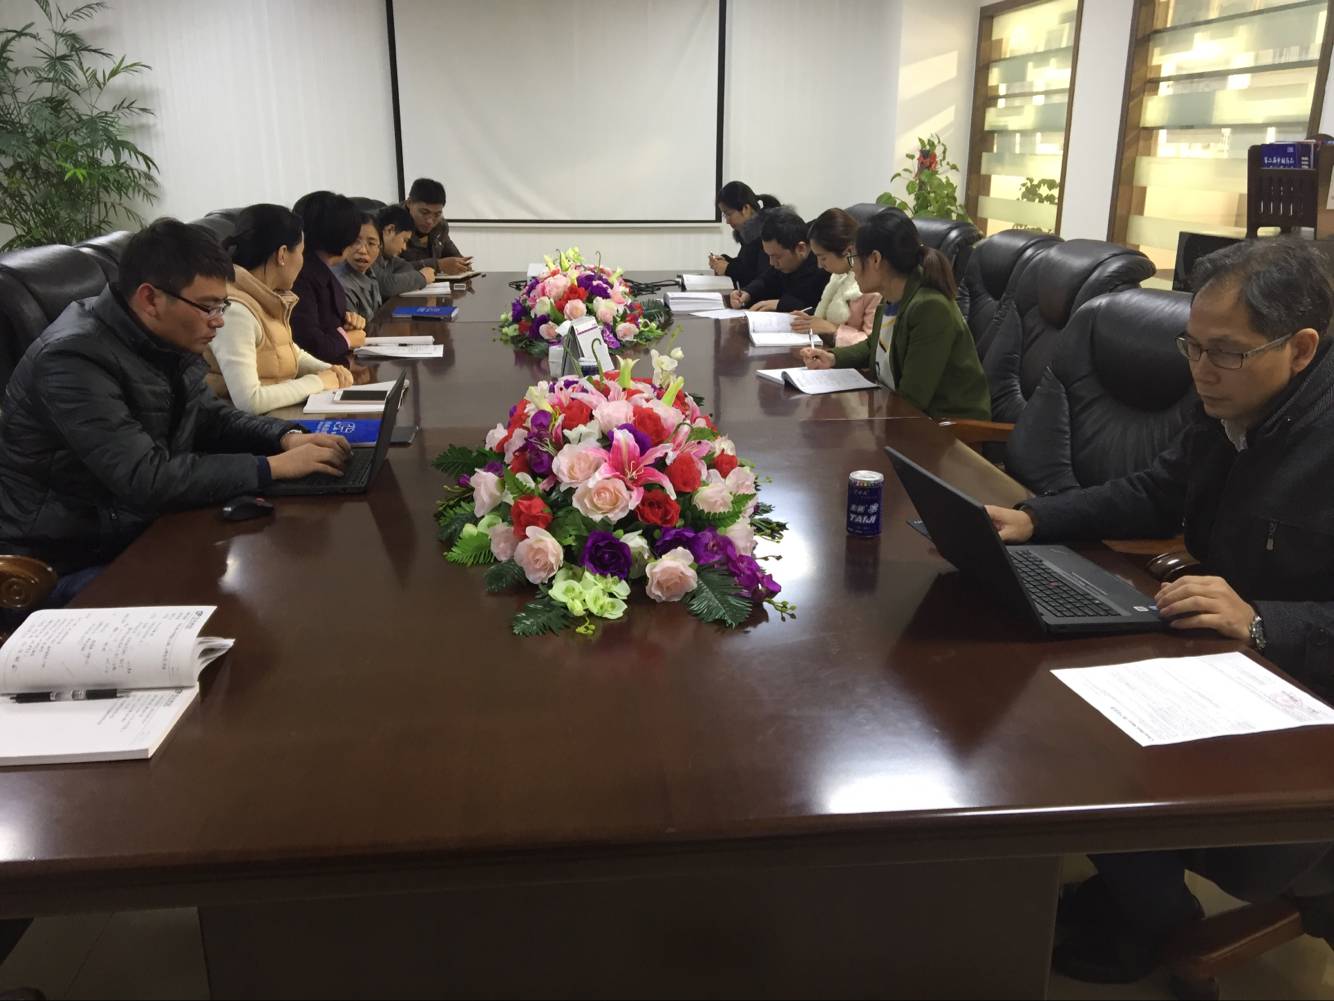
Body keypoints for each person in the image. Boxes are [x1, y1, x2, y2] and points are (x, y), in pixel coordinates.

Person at [984, 237, 1334, 985]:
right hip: (1225, 658)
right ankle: (1135, 893)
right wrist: (1036, 518)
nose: (1201, 369)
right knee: (1051, 708)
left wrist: (1265, 620)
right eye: (1193, 347)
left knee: (1091, 749)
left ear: (1301, 348)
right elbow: (1155, 491)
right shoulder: (1232, 405)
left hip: (1306, 695)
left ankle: (1161, 920)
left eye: (1226, 352)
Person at [0, 218, 352, 587]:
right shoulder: (72, 359)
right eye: (208, 307)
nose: (218, 322)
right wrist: (271, 468)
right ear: (150, 299)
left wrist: (286, 438)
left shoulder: (160, 338)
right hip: (64, 562)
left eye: (223, 306)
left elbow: (211, 418)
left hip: (139, 527)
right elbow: (145, 477)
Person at [798, 207, 989, 420]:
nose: (853, 268)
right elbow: (874, 346)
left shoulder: (930, 308)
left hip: (948, 429)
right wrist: (832, 358)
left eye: (854, 258)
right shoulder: (891, 296)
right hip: (900, 416)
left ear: (875, 259)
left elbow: (912, 400)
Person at [204, 203, 354, 415]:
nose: (303, 261)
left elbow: (288, 351)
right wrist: (318, 381)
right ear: (282, 254)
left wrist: (330, 370)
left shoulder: (266, 298)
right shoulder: (235, 311)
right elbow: (250, 400)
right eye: (301, 252)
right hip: (246, 427)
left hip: (276, 419)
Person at [290, 191, 367, 363]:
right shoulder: (300, 277)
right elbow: (309, 343)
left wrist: (347, 322)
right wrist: (347, 339)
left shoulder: (319, 270)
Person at [790, 208, 881, 348]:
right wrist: (811, 322)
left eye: (823, 258)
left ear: (848, 251)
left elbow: (874, 346)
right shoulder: (839, 277)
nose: (819, 265)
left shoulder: (873, 286)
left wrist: (833, 329)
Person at [728, 208, 830, 313]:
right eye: (769, 256)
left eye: (776, 256)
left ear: (801, 248)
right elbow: (765, 280)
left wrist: (781, 304)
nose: (771, 262)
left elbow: (820, 310)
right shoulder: (783, 265)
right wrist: (747, 293)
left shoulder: (825, 267)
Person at [708, 181, 780, 289]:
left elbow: (763, 279)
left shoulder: (768, 233)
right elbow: (746, 264)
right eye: (724, 215)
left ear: (746, 208)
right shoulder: (749, 232)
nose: (727, 221)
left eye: (729, 214)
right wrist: (726, 261)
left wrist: (729, 268)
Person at [398, 177, 472, 276]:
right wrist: (437, 265)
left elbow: (454, 255)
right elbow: (388, 270)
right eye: (424, 212)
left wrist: (462, 265)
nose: (430, 221)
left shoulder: (440, 226)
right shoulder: (390, 225)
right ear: (409, 203)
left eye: (437, 214)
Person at [373, 203, 435, 297]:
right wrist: (422, 277)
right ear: (390, 230)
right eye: (404, 240)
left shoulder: (388, 257)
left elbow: (407, 268)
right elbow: (385, 285)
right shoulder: (368, 251)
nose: (404, 247)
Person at [333, 212, 384, 320]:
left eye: (371, 243)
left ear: (380, 247)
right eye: (355, 242)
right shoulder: (340, 284)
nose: (363, 250)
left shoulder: (369, 273)